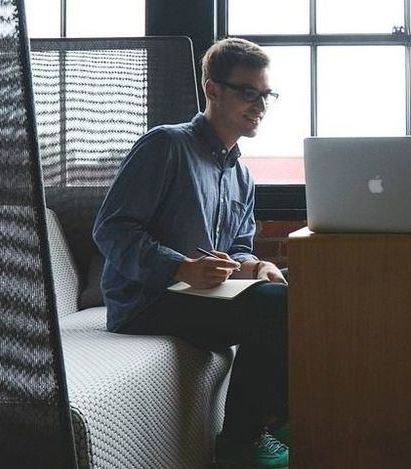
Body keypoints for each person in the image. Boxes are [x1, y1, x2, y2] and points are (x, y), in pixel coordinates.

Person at [93, 38, 289, 469]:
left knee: (300, 285)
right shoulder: (166, 145)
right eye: (248, 92)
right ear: (212, 89)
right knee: (279, 306)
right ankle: (241, 443)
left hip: (202, 297)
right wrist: (180, 267)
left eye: (266, 94)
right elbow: (111, 230)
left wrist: (256, 264)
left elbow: (238, 246)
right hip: (147, 302)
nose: (260, 105)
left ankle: (284, 419)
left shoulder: (242, 174)